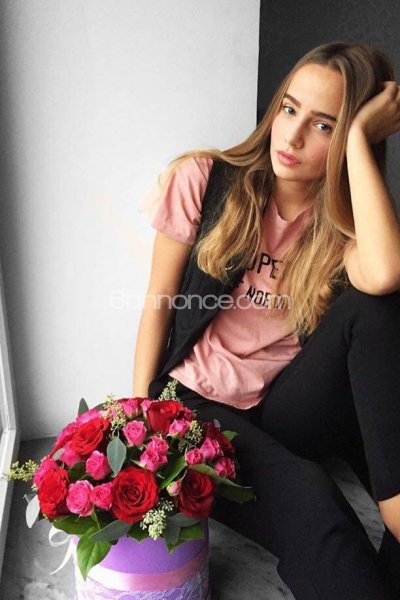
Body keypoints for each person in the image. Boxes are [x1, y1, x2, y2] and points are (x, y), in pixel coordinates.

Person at [133, 41, 400, 599]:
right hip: (200, 405)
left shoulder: (343, 226)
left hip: (284, 404)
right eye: (289, 108)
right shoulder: (205, 179)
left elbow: (384, 275)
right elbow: (158, 302)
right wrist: (140, 418)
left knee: (376, 309)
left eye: (324, 125)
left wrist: (357, 142)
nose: (293, 136)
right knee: (315, 504)